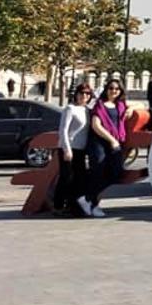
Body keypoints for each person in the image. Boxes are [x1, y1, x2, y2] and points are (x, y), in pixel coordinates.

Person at [76, 80, 132, 218]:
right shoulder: (99, 105)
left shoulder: (120, 105)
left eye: (117, 89)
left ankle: (86, 198)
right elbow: (96, 125)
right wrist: (112, 140)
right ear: (106, 89)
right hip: (99, 142)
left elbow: (140, 104)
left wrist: (130, 108)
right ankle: (93, 205)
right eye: (111, 88)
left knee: (116, 173)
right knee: (98, 171)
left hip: (114, 142)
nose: (114, 91)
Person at [55, 83, 93, 215]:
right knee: (66, 178)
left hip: (81, 150)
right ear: (76, 94)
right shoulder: (70, 109)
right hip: (69, 149)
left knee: (79, 179)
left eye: (87, 93)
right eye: (81, 93)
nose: (84, 96)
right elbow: (63, 130)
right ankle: (58, 205)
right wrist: (67, 149)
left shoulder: (88, 110)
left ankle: (72, 205)